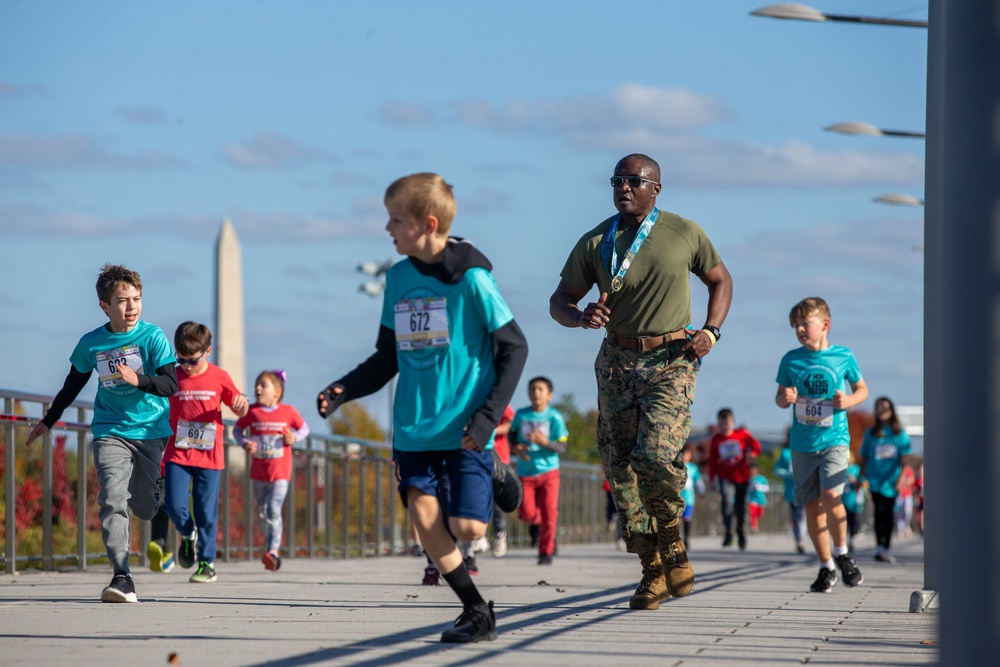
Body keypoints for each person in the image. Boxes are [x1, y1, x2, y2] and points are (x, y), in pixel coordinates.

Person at [317, 172, 528, 643]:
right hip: (412, 427)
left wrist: (488, 417)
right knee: (425, 519)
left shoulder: (473, 280)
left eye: (395, 220)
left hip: (465, 428)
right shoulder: (397, 277)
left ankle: (494, 470)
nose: (387, 229)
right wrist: (343, 389)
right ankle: (475, 610)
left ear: (427, 224)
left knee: (468, 526)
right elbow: (388, 356)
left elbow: (515, 348)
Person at [549, 153, 732, 611]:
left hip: (673, 358)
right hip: (616, 361)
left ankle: (671, 537)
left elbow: (721, 279)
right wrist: (579, 316)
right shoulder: (596, 241)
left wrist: (711, 330)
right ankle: (652, 571)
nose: (624, 188)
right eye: (617, 181)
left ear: (656, 188)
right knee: (620, 470)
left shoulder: (683, 232)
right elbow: (560, 300)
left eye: (634, 180)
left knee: (654, 456)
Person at [25, 263, 177, 603]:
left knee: (144, 508)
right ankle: (122, 576)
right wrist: (49, 420)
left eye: (137, 299)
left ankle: (157, 502)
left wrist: (141, 381)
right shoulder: (92, 343)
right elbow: (73, 383)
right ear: (104, 305)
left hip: (150, 431)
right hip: (109, 429)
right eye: (123, 301)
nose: (132, 307)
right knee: (111, 499)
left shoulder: (152, 337)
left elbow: (171, 384)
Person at [776, 296, 869, 593]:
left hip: (835, 440)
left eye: (806, 323)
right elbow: (780, 397)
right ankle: (826, 566)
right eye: (796, 326)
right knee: (812, 508)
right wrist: (785, 398)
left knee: (831, 496)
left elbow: (862, 389)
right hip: (803, 443)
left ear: (825, 325)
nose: (800, 330)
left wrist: (850, 400)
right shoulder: (791, 360)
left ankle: (843, 553)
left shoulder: (843, 356)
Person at [161, 322, 249, 583]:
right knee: (174, 505)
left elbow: (238, 407)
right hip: (178, 452)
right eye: (181, 359)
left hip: (210, 456)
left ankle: (207, 564)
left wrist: (243, 407)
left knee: (205, 512)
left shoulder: (219, 377)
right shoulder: (172, 376)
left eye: (193, 360)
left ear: (207, 351)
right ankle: (188, 534)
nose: (187, 365)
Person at [235, 370, 309, 571]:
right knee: (263, 512)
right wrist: (244, 443)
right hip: (259, 472)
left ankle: (273, 551)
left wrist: (293, 437)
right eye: (256, 385)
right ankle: (270, 548)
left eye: (263, 385)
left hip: (280, 472)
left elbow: (304, 429)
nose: (257, 388)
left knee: (273, 509)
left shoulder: (288, 411)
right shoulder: (252, 411)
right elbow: (237, 430)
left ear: (277, 392)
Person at [510, 376, 569, 565]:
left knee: (550, 513)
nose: (536, 392)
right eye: (532, 389)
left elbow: (563, 447)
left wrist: (545, 443)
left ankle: (546, 551)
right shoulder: (521, 414)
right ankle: (539, 525)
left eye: (540, 389)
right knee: (526, 513)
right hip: (525, 472)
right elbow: (511, 436)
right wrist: (516, 448)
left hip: (549, 472)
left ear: (549, 395)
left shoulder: (555, 417)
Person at [858, 396, 910, 564]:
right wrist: (861, 476)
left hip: (892, 480)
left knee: (888, 513)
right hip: (874, 479)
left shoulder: (899, 433)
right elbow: (864, 457)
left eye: (885, 408)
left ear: (891, 411)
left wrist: (901, 478)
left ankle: (886, 547)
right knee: (878, 512)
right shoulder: (871, 433)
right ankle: (879, 547)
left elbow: (904, 459)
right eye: (878, 408)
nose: (881, 411)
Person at [708, 408, 761, 550]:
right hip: (724, 476)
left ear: (732, 422)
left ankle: (741, 532)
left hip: (742, 476)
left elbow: (756, 445)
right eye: (721, 423)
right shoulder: (716, 439)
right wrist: (712, 479)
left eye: (727, 422)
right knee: (726, 502)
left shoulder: (742, 434)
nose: (725, 426)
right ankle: (728, 532)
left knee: (740, 506)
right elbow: (712, 461)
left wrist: (753, 454)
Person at [490, 405, 515, 558]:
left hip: (499, 457)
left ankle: (499, 533)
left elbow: (510, 422)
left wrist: (490, 430)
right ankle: (478, 538)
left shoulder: (497, 396)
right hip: (476, 455)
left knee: (496, 501)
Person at [773, 442, 807, 554]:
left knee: (801, 516)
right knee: (796, 517)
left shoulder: (806, 449)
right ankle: (799, 541)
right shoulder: (786, 453)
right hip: (791, 492)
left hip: (805, 490)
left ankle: (801, 538)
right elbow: (776, 469)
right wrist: (789, 474)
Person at [679, 444, 705, 549]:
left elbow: (698, 481)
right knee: (677, 520)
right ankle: (677, 539)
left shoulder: (693, 468)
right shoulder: (675, 467)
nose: (685, 456)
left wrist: (702, 491)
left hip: (689, 498)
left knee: (687, 519)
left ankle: (687, 539)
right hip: (678, 498)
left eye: (687, 454)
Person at [842, 450, 866, 554]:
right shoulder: (841, 469)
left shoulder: (856, 469)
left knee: (853, 522)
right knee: (843, 523)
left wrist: (855, 481)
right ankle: (842, 542)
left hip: (855, 501)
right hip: (842, 500)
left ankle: (852, 540)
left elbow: (863, 484)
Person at [895, 458, 916, 538]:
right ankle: (900, 529)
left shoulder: (908, 469)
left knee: (907, 511)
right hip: (898, 495)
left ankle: (907, 526)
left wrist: (905, 482)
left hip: (907, 494)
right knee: (898, 513)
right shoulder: (896, 470)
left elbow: (912, 479)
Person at [746, 464, 770, 535]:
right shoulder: (749, 479)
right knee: (752, 514)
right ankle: (754, 527)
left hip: (761, 500)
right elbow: (747, 489)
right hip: (752, 499)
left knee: (759, 515)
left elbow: (767, 488)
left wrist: (759, 487)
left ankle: (755, 525)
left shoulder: (761, 478)